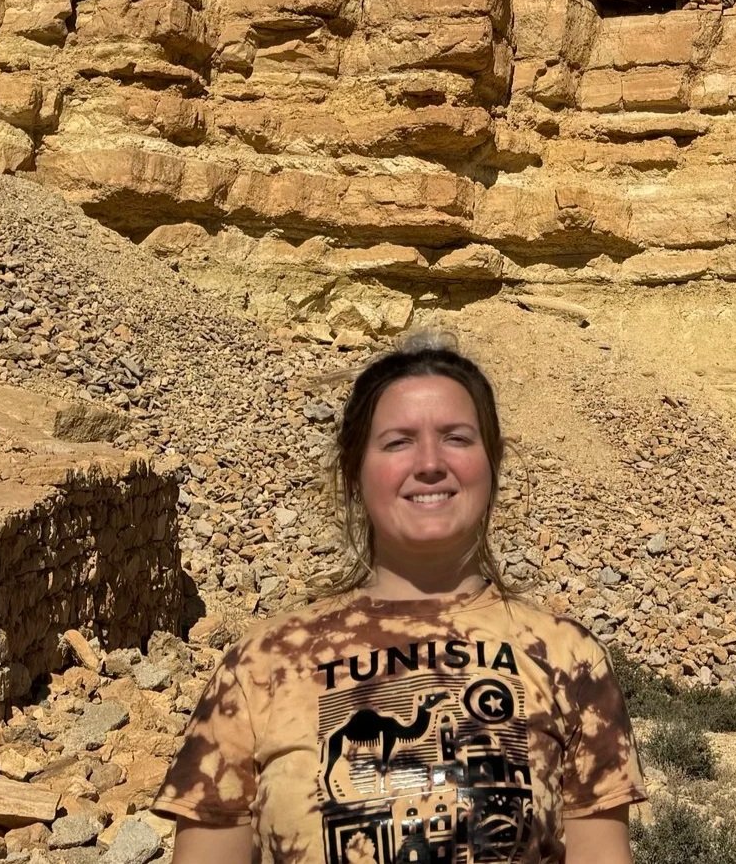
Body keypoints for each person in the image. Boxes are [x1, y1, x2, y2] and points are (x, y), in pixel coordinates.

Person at [158, 333, 642, 863]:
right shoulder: (261, 663)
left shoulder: (568, 658)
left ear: (492, 461)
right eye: (398, 441)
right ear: (355, 471)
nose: (430, 462)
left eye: (457, 438)